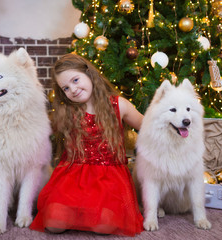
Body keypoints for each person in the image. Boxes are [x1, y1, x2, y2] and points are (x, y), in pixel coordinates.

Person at [29, 53, 144, 236]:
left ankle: (85, 213)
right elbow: (40, 131)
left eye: (75, 80)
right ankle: (78, 211)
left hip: (108, 180)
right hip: (73, 177)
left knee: (104, 225)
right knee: (53, 224)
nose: (73, 89)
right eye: (65, 88)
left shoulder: (118, 105)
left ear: (89, 74)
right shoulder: (66, 112)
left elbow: (147, 127)